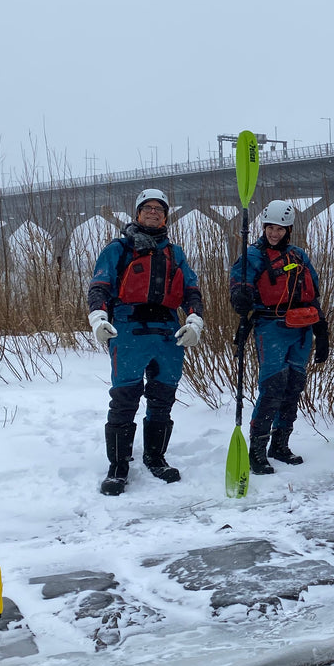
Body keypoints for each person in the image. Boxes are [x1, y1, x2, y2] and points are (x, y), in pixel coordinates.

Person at [87, 188, 206, 496]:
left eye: (159, 209)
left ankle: (155, 456)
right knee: (125, 397)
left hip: (167, 330)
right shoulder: (119, 249)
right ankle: (118, 466)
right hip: (128, 328)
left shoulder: (174, 253)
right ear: (137, 214)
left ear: (165, 216)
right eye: (148, 208)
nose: (154, 212)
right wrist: (98, 318)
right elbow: (100, 286)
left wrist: (194, 320)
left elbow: (191, 291)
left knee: (162, 397)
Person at [228, 200, 329, 475]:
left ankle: (280, 445)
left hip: (302, 327)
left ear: (289, 230)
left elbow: (313, 293)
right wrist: (240, 296)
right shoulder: (254, 255)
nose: (274, 233)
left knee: (294, 386)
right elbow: (238, 282)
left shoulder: (298, 255)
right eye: (270, 228)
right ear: (263, 228)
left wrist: (322, 329)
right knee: (273, 387)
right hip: (270, 326)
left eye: (280, 229)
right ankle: (257, 450)